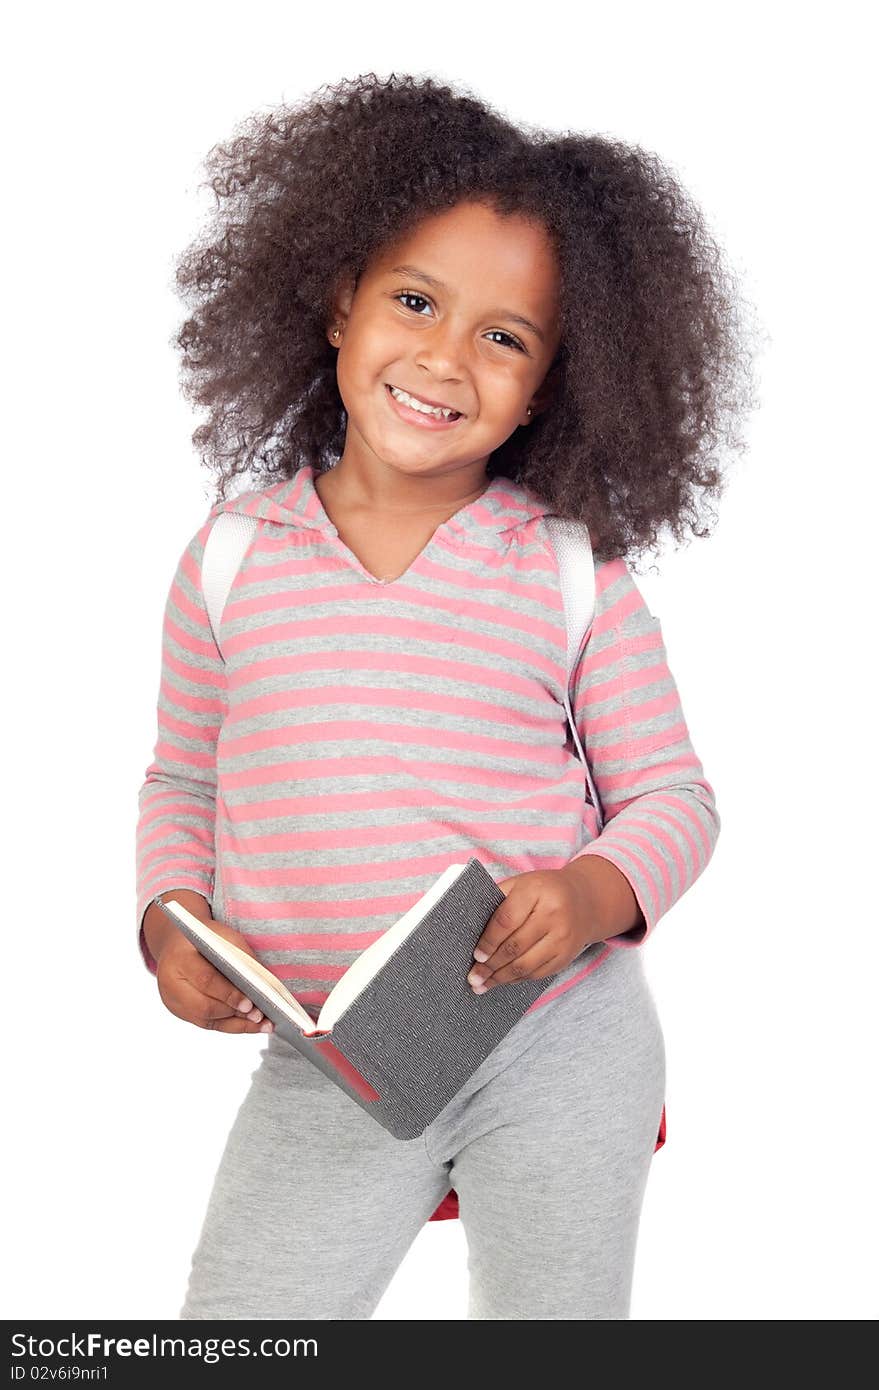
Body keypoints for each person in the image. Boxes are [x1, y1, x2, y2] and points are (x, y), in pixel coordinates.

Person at [135, 72, 755, 1320]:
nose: (443, 356)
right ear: (335, 303)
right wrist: (167, 918)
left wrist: (593, 892)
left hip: (557, 1044)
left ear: (551, 382)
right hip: (334, 1064)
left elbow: (672, 794)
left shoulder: (570, 565)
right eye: (414, 301)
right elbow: (182, 778)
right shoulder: (232, 556)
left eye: (503, 335)